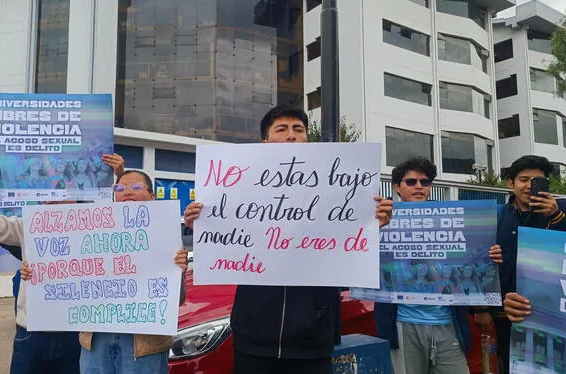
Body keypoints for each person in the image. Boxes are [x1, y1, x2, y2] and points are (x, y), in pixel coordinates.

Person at [183, 105, 394, 374]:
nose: (292, 135)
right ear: (265, 142)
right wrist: (200, 221)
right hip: (253, 337)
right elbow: (224, 247)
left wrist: (371, 224)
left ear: (307, 138)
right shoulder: (239, 188)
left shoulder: (336, 189)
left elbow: (347, 263)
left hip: (312, 339)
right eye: (281, 129)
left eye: (299, 129)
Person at [0, 153, 126, 374]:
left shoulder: (95, 226)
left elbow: (120, 223)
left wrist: (116, 178)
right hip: (31, 333)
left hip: (75, 333)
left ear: (76, 195)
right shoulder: (27, 225)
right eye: (46, 193)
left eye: (60, 191)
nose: (52, 197)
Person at [20, 169, 188, 374]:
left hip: (143, 345)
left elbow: (176, 300)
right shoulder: (90, 229)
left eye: (136, 187)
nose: (127, 192)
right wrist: (36, 273)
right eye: (120, 188)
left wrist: (177, 272)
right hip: (96, 340)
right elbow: (64, 273)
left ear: (152, 196)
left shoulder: (166, 235)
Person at [373, 156, 503, 374]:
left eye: (425, 182)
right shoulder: (380, 220)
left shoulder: (453, 221)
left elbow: (472, 267)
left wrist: (490, 256)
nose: (419, 187)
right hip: (403, 323)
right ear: (397, 187)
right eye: (411, 182)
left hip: (447, 322)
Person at [474, 155, 566, 373]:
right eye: (524, 179)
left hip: (551, 312)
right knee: (509, 364)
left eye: (537, 181)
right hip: (505, 312)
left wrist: (556, 216)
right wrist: (480, 307)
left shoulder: (559, 212)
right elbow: (476, 262)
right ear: (510, 183)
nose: (529, 186)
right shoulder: (494, 216)